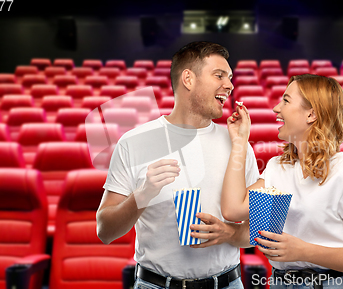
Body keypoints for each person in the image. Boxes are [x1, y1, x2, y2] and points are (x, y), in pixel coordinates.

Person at [96, 41, 260, 289]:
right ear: (188, 79)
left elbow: (262, 227)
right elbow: (105, 231)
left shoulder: (238, 144)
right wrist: (143, 194)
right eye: (219, 75)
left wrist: (230, 233)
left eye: (230, 78)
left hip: (227, 283)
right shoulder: (134, 142)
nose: (230, 85)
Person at [221, 74, 343, 288]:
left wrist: (303, 251)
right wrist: (239, 142)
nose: (276, 109)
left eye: (286, 101)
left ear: (311, 114)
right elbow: (233, 210)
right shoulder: (277, 168)